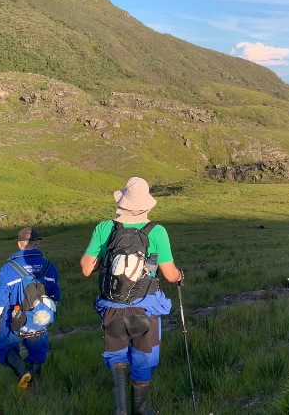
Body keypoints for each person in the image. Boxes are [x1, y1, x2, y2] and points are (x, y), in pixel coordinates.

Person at [81, 177, 184, 415]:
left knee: (116, 356)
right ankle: (140, 410)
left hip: (112, 306)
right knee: (143, 359)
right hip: (144, 308)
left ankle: (120, 410)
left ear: (122, 202)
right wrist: (180, 275)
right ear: (147, 204)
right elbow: (170, 275)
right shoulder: (156, 231)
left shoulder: (104, 228)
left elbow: (86, 268)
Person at [0, 227, 60, 389]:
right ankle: (36, 385)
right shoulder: (50, 267)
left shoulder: (8, 269)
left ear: (19, 244)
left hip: (14, 320)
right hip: (40, 318)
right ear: (38, 243)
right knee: (38, 351)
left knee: (5, 348)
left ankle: (22, 374)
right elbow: (55, 294)